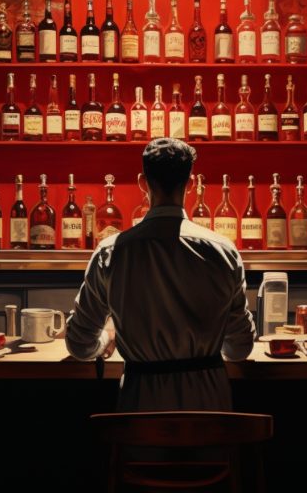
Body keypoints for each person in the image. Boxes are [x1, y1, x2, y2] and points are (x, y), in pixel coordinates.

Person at [66, 138, 256, 412]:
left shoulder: (111, 251)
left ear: (143, 182)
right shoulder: (223, 251)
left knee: (142, 454)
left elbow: (80, 345)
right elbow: (239, 349)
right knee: (211, 454)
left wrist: (107, 337)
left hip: (141, 409)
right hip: (209, 412)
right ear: (190, 184)